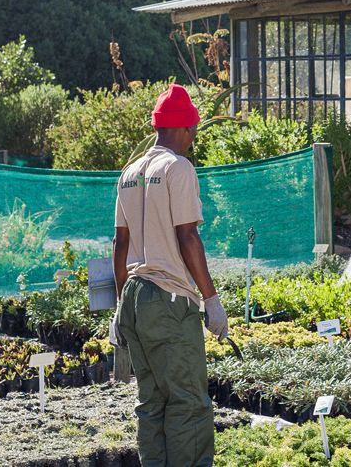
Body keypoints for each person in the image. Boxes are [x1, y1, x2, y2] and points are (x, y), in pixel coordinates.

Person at [112, 84, 229, 467]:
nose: (194, 138)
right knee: (188, 403)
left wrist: (119, 307)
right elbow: (187, 236)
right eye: (193, 130)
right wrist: (211, 299)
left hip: (134, 296)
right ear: (183, 128)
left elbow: (120, 243)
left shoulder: (130, 172)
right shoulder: (178, 168)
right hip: (168, 298)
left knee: (152, 402)